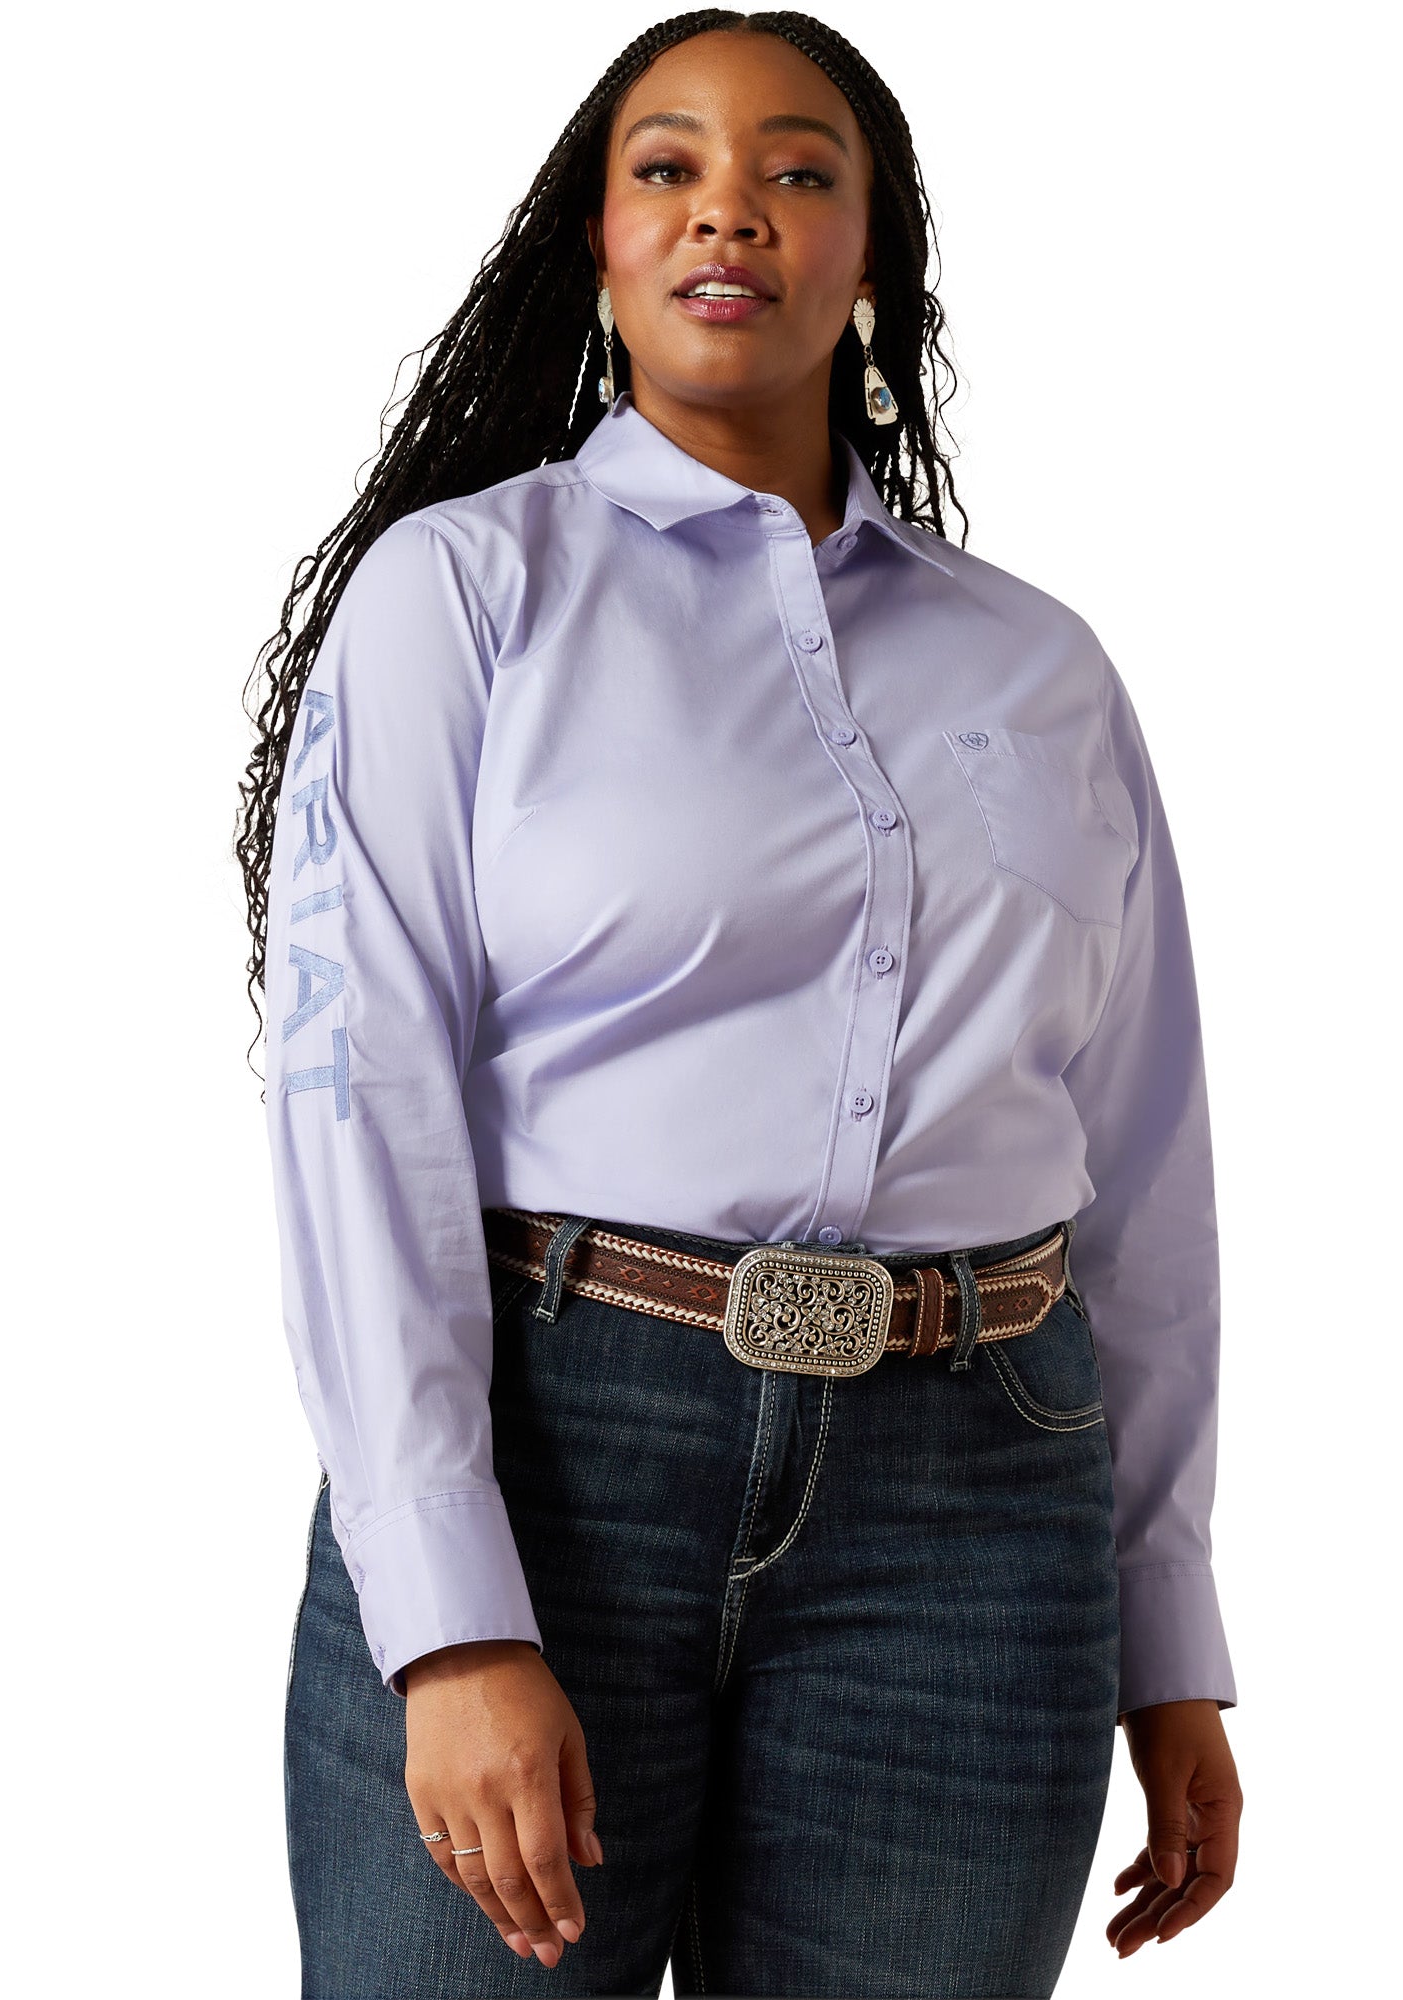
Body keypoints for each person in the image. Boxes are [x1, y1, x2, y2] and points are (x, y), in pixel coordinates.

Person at [235, 12, 1243, 1996]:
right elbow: (359, 1097)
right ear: (600, 245)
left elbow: (1143, 1167)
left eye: (797, 173)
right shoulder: (462, 595)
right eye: (667, 170)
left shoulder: (1039, 669)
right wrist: (451, 1615)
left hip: (981, 1505)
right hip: (558, 1456)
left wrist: (1168, 1625)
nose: (730, 213)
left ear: (869, 255)